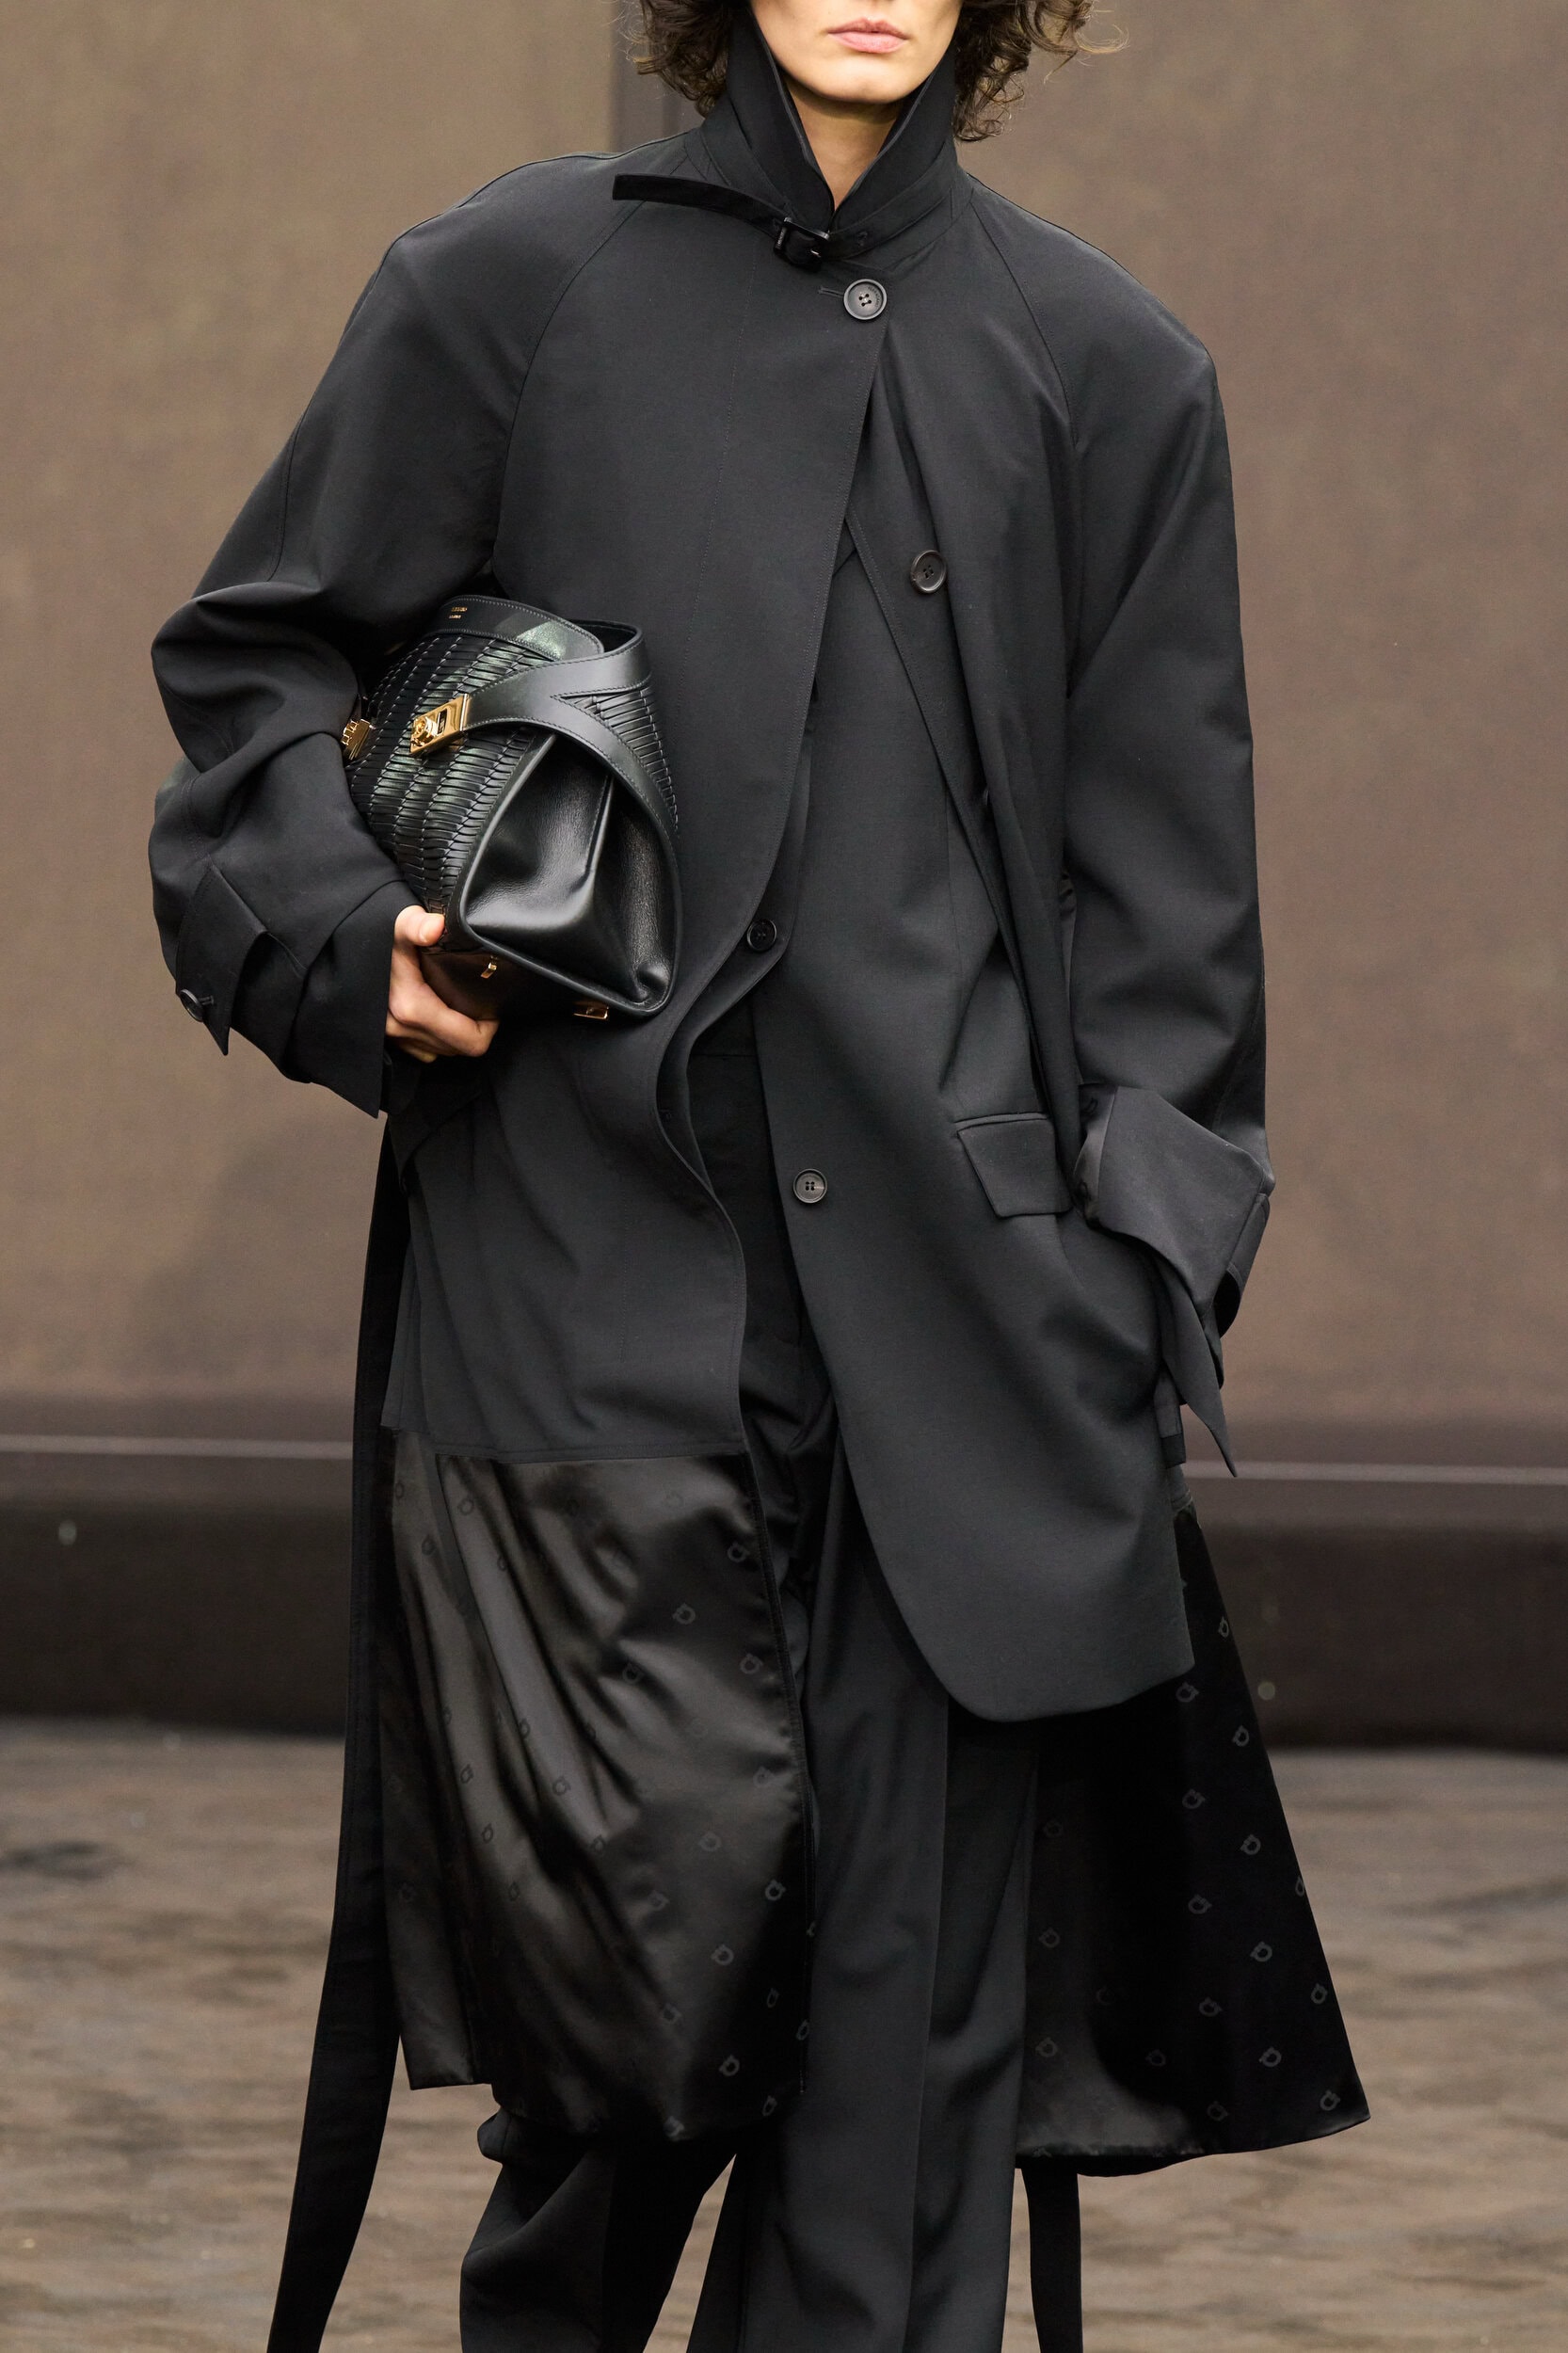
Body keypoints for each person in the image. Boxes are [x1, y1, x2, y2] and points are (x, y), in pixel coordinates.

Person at [150, 4, 1367, 2348]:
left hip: (976, 1380)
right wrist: (340, 933)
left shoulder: (1109, 369)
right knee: (611, 2107)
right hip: (586, 1328)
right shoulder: (510, 284)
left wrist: (1134, 1273)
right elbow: (258, 669)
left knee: (897, 2163)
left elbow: (1169, 916)